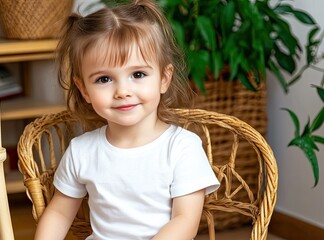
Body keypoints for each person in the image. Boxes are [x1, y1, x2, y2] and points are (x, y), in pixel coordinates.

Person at [35, 0, 220, 239]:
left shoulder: (182, 147)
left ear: (164, 79)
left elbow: (185, 221)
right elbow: (59, 214)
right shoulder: (82, 151)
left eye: (138, 74)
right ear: (84, 90)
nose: (123, 91)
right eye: (104, 79)